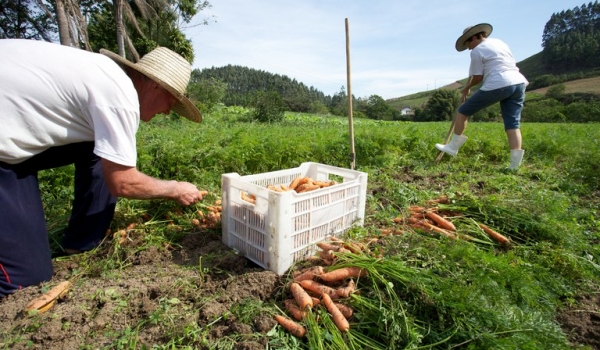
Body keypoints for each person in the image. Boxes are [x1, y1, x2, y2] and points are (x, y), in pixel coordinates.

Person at [0, 39, 206, 297]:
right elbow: (123, 182)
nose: (167, 112)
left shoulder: (105, 76)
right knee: (24, 283)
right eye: (171, 102)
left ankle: (80, 244)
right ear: (156, 86)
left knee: (98, 147)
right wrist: (175, 189)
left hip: (11, 137)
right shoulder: (119, 96)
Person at [435, 23, 529, 170]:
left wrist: (466, 88)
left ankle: (452, 147)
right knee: (513, 123)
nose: (469, 48)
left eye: (468, 45)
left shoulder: (477, 51)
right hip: (519, 82)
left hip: (500, 83)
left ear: (473, 38)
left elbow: (478, 77)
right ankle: (514, 166)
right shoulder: (499, 42)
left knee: (463, 112)